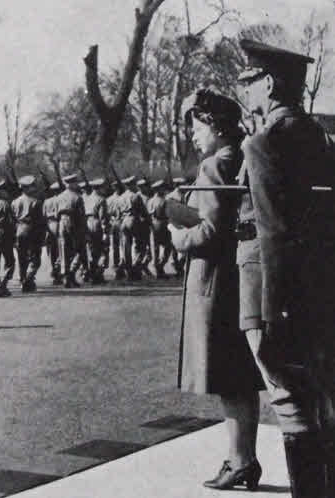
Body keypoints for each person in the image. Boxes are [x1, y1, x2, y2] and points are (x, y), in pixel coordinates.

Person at [234, 39, 335, 496]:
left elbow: (274, 234)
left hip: (280, 294)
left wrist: (275, 316)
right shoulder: (318, 137)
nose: (245, 91)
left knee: (291, 403)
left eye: (249, 82)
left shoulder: (264, 142)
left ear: (269, 84)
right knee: (325, 400)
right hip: (323, 290)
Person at [168, 87, 265, 492]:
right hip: (238, 277)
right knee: (240, 374)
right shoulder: (243, 158)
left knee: (227, 378)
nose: (194, 134)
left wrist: (176, 233)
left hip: (213, 281)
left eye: (198, 125)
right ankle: (243, 457)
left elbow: (208, 231)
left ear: (216, 125)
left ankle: (240, 461)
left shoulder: (214, 165)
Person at [12, 175, 42, 292]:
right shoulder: (36, 202)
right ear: (27, 188)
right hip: (31, 229)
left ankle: (22, 278)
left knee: (21, 257)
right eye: (32, 186)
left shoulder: (15, 202)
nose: (34, 189)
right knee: (35, 258)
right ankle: (28, 279)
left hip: (19, 229)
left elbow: (13, 219)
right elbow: (39, 220)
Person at [57, 174, 87, 288]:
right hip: (74, 222)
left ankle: (66, 276)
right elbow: (81, 215)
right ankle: (72, 273)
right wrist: (84, 229)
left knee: (64, 250)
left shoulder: (59, 197)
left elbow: (56, 213)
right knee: (79, 250)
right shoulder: (77, 197)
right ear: (73, 184)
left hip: (62, 222)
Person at [83, 178, 108, 284]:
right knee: (102, 249)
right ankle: (98, 274)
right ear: (100, 188)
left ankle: (90, 272)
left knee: (91, 250)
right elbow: (102, 217)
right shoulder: (101, 199)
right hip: (96, 223)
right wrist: (105, 232)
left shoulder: (86, 198)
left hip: (87, 223)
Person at [147, 180, 171, 279]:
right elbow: (169, 214)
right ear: (159, 189)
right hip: (163, 224)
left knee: (154, 248)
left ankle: (156, 268)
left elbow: (148, 214)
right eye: (162, 188)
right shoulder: (165, 201)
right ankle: (160, 266)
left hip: (153, 224)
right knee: (167, 247)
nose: (164, 190)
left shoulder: (150, 201)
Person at [43, 181, 63, 285]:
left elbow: (43, 216)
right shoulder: (61, 200)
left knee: (51, 250)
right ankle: (58, 270)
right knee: (61, 250)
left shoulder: (47, 201)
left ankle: (53, 269)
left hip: (49, 225)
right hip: (59, 224)